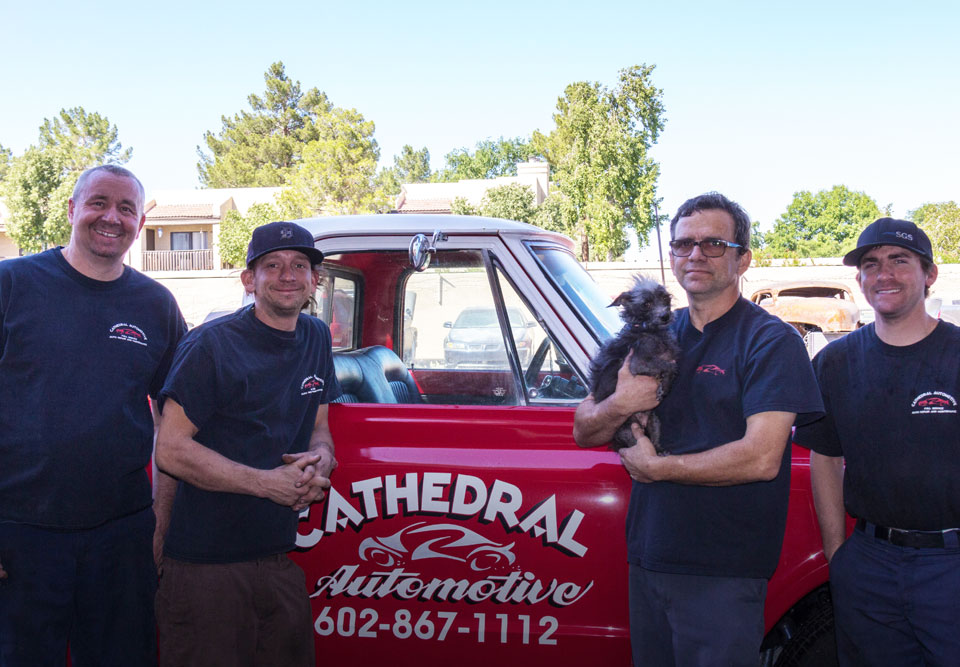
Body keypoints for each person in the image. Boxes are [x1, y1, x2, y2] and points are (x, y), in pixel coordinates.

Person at [574, 192, 823, 666]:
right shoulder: (649, 333)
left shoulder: (770, 341)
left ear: (742, 259)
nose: (695, 255)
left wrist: (659, 468)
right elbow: (584, 429)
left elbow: (762, 457)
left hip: (723, 569)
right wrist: (621, 403)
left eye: (713, 244)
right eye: (683, 244)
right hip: (649, 557)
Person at [0, 165, 186, 665]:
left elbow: (173, 420)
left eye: (126, 209)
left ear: (139, 224)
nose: (112, 217)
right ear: (72, 210)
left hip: (121, 536)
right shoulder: (11, 284)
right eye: (98, 202)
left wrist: (159, 525)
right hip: (19, 533)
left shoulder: (156, 305)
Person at [154, 221, 341, 667]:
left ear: (315, 279)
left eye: (299, 265)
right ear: (248, 280)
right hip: (206, 566)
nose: (287, 275)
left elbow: (319, 425)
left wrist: (322, 459)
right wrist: (267, 484)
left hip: (277, 558)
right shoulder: (211, 345)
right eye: (271, 265)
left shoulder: (316, 337)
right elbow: (171, 449)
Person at [795, 218, 960, 665]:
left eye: (899, 261)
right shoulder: (835, 362)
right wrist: (838, 555)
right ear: (860, 281)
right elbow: (825, 458)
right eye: (871, 264)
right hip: (870, 565)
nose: (884, 274)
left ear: (929, 274)